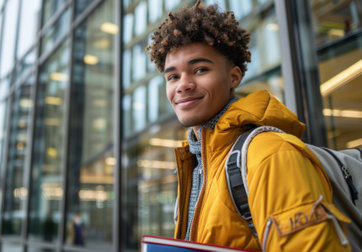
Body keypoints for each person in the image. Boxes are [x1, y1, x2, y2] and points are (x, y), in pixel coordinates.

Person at [145, 1, 351, 251]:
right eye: (173, 76)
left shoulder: (271, 154)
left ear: (234, 77)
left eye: (200, 70)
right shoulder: (195, 164)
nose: (183, 85)